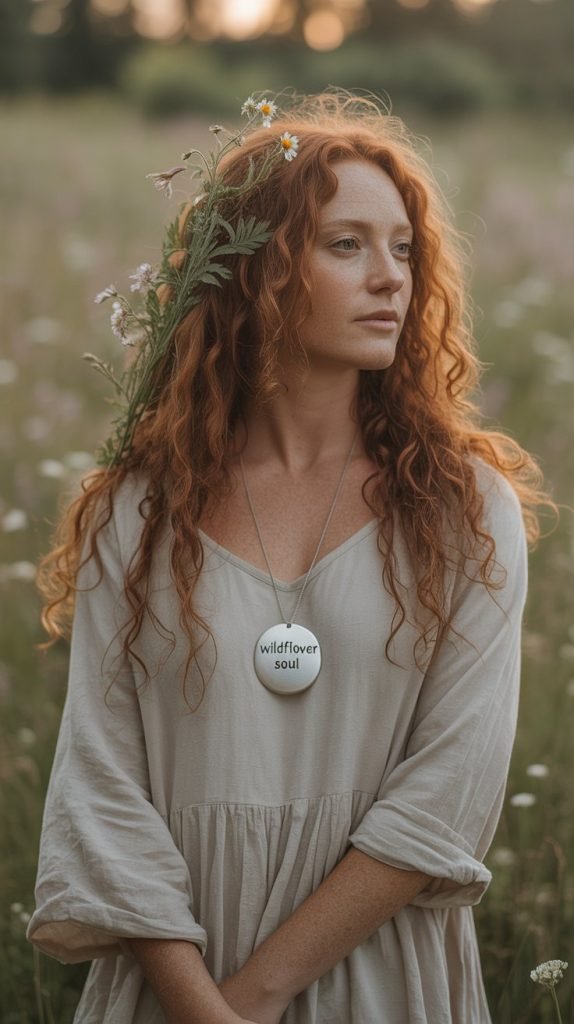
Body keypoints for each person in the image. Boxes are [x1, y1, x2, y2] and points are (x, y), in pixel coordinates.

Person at [28, 91, 550, 1024]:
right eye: (345, 244)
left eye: (402, 247)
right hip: (173, 979)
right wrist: (199, 1005)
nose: (390, 277)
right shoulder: (138, 508)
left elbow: (450, 788)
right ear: (253, 268)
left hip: (385, 974)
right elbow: (100, 785)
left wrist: (252, 1000)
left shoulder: (464, 510)